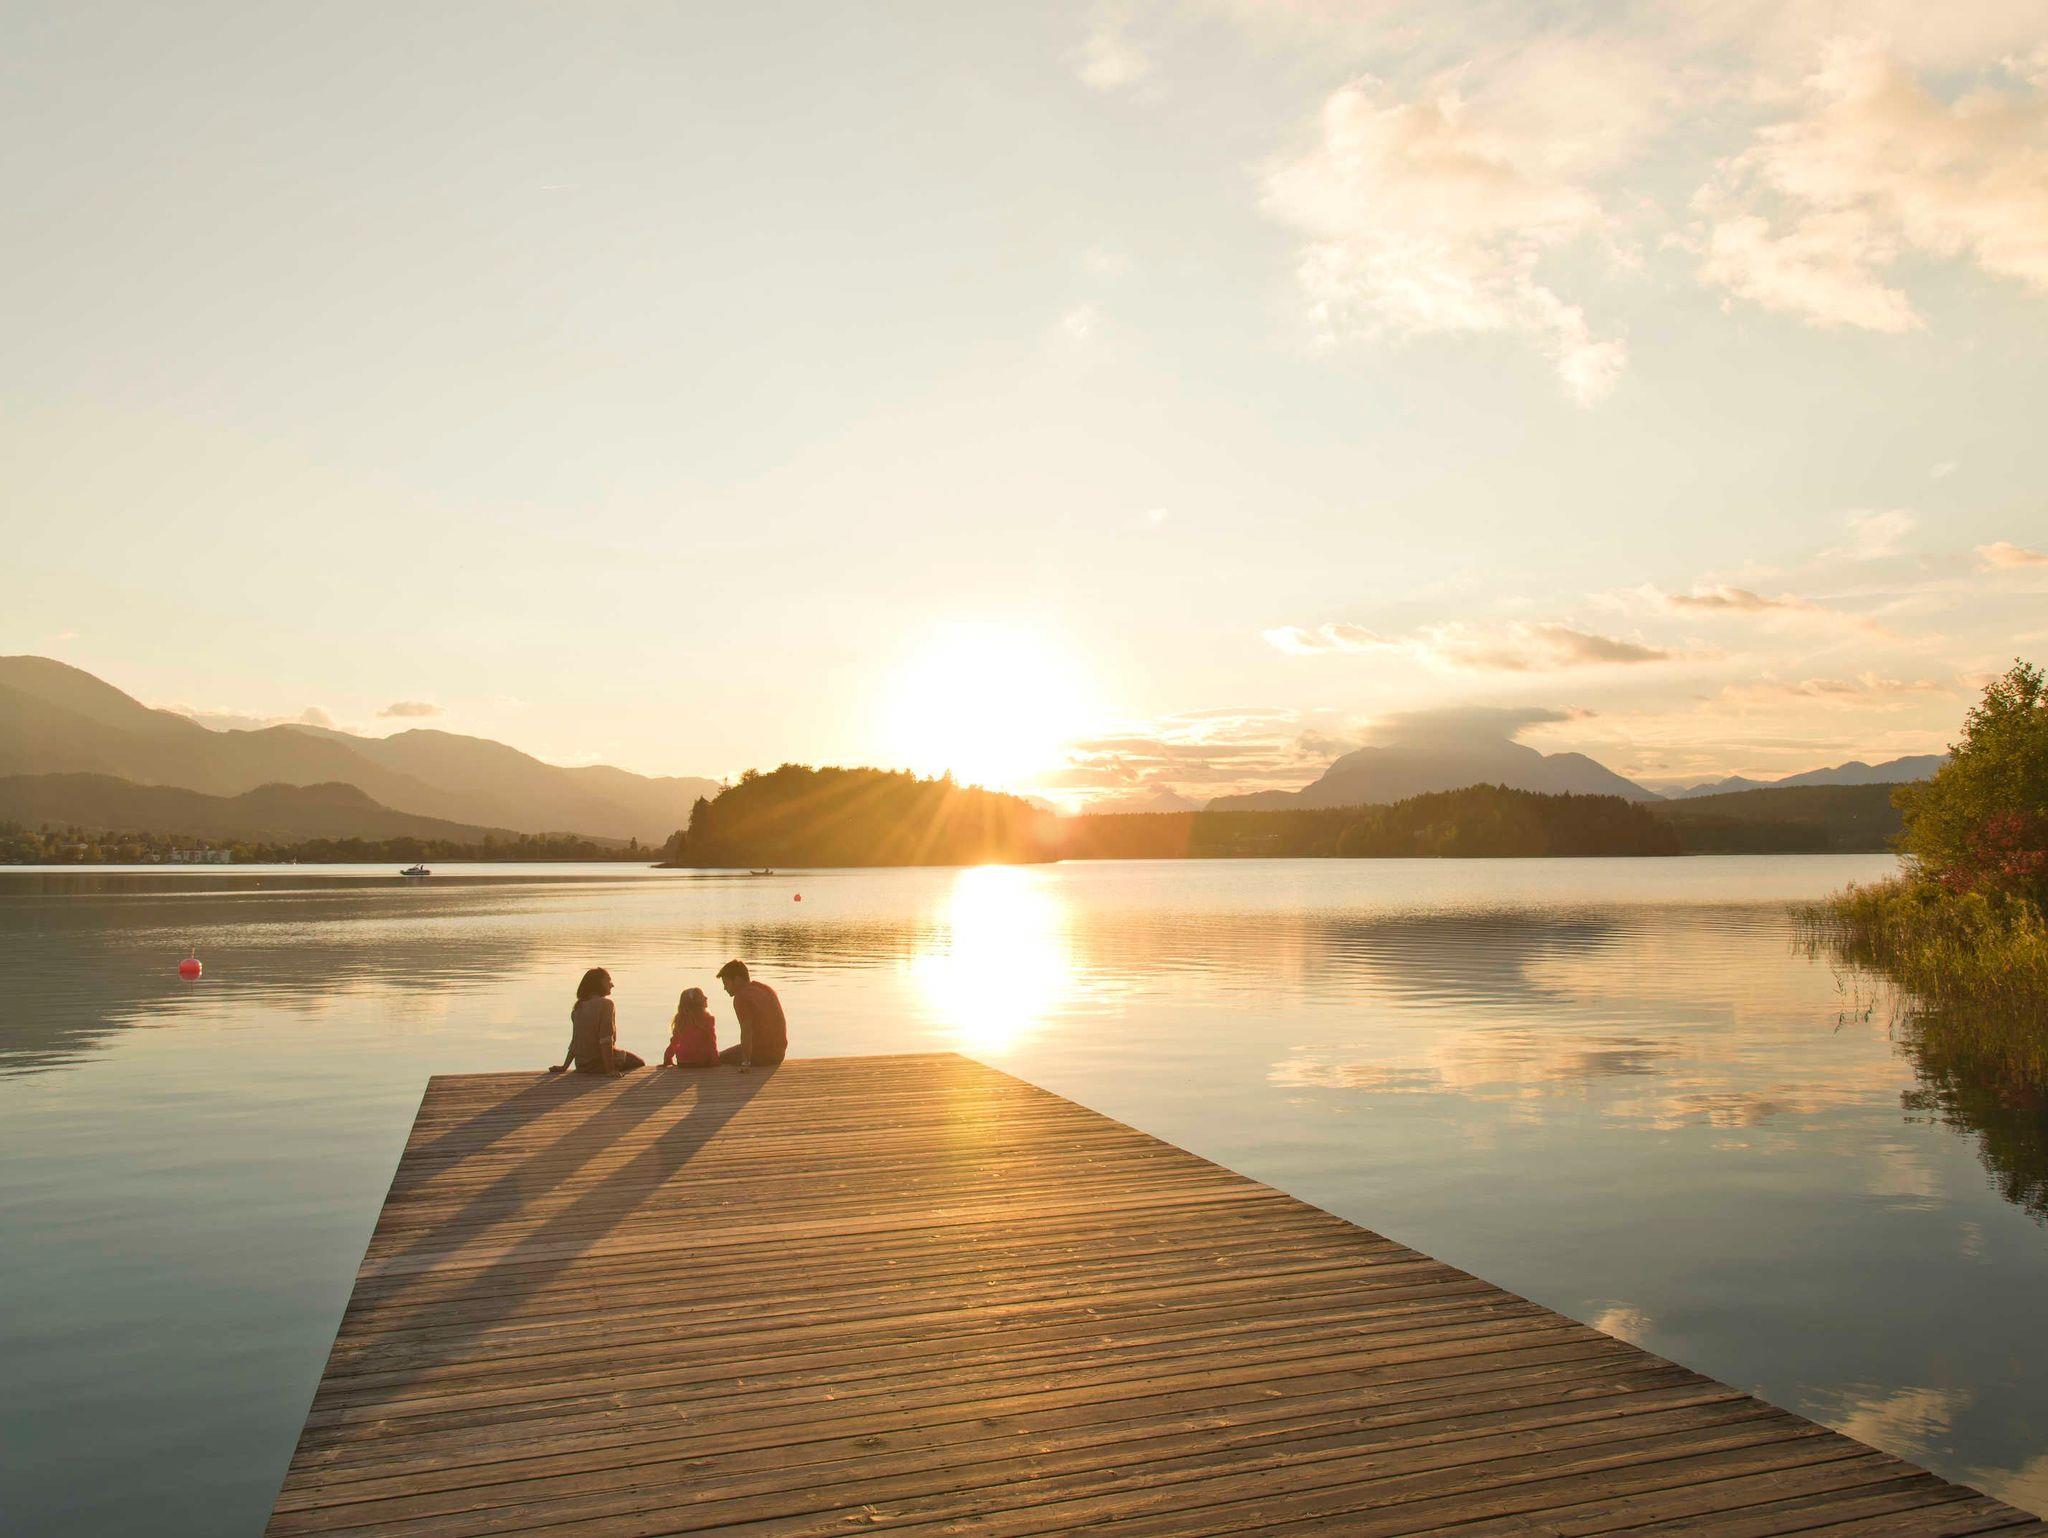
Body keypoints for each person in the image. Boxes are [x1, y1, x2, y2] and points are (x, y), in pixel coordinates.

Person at [550, 967, 645, 1075]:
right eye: (608, 981)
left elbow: (575, 1041)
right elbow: (605, 1040)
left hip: (582, 1065)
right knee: (639, 1063)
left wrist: (564, 1066)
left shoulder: (579, 1006)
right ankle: (609, 1068)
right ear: (599, 983)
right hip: (598, 1063)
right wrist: (610, 1070)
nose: (612, 985)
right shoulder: (606, 1004)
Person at [715, 959, 786, 1069]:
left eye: (726, 983)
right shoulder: (765, 989)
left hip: (762, 1054)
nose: (724, 988)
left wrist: (746, 1062)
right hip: (779, 1053)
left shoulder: (741, 997)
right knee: (727, 1053)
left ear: (737, 980)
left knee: (715, 1058)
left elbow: (746, 1031)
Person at [664, 987, 719, 1068]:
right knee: (726, 1056)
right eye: (702, 996)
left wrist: (667, 1057)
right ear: (695, 1002)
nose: (706, 998)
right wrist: (715, 1059)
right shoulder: (707, 1018)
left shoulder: (680, 1019)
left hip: (683, 1061)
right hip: (701, 1061)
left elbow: (674, 1041)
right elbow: (712, 1041)